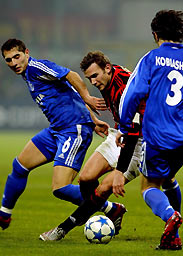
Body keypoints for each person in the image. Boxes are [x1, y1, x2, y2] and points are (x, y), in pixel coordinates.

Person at [117, 10, 183, 250]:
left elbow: (133, 93)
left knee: (149, 186)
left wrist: (123, 125)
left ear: (155, 34)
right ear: (181, 34)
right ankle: (173, 237)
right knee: (169, 178)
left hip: (158, 136)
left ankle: (170, 216)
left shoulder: (151, 58)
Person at [0, 39, 118, 231]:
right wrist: (93, 119)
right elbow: (69, 91)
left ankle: (109, 207)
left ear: (26, 53)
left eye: (17, 57)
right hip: (57, 130)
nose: (14, 63)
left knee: (60, 188)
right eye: (8, 60)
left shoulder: (37, 67)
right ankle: (4, 214)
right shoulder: (28, 74)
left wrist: (88, 98)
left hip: (73, 129)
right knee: (20, 165)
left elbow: (70, 75)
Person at [39, 51, 144, 241]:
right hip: (120, 135)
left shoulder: (126, 88)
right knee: (86, 179)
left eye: (95, 76)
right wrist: (94, 120)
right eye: (89, 78)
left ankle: (63, 229)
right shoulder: (110, 76)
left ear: (107, 68)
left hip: (139, 144)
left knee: (103, 188)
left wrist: (120, 171)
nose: (93, 82)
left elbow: (135, 130)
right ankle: (113, 211)